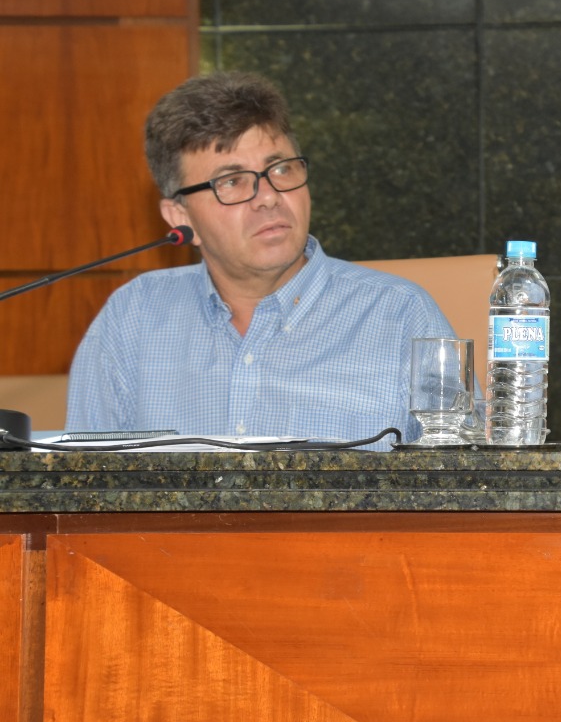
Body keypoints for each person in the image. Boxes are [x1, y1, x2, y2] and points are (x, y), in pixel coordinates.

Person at [66, 71, 454, 448]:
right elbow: (80, 483)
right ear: (181, 218)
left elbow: (468, 477)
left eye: (281, 169)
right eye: (232, 181)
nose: (268, 197)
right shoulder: (132, 318)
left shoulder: (402, 317)